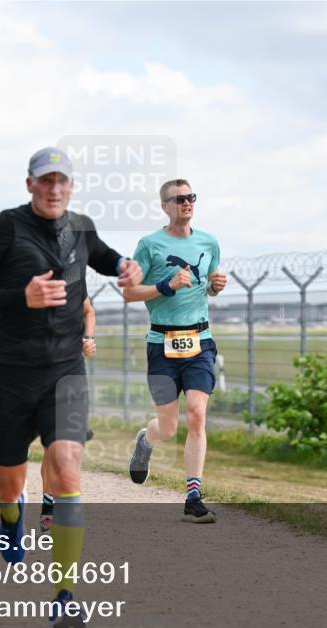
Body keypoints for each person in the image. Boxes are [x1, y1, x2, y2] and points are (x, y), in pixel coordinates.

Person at [0, 147, 142, 628]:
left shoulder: (80, 225)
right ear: (30, 185)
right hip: (10, 375)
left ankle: (64, 600)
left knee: (65, 464)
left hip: (65, 371)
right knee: (10, 483)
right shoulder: (5, 230)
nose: (54, 188)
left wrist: (125, 264)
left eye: (62, 180)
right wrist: (22, 297)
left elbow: (100, 256)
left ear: (72, 186)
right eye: (45, 181)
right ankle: (11, 519)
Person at [123, 178, 227, 523]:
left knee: (197, 414)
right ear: (165, 206)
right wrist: (165, 285)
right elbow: (130, 293)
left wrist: (215, 286)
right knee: (167, 427)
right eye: (179, 199)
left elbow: (207, 288)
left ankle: (193, 495)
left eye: (191, 197)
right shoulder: (149, 244)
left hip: (200, 342)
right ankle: (146, 440)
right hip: (162, 345)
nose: (187, 203)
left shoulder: (209, 241)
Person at [40, 296, 96, 533]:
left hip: (70, 370)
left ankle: (58, 508)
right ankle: (48, 502)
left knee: (68, 445)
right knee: (51, 448)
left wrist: (88, 338)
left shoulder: (72, 273)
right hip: (34, 370)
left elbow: (88, 310)